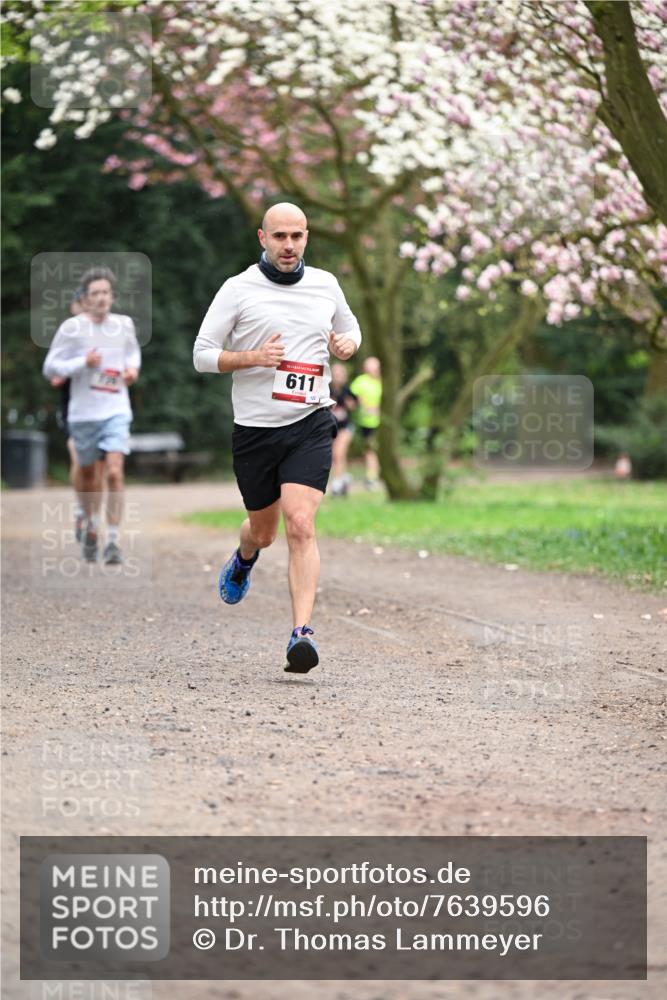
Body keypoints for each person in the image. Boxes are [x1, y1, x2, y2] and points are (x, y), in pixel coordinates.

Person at [193, 202, 361, 673]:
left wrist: (348, 344)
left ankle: (301, 633)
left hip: (311, 421)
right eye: (280, 236)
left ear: (307, 237)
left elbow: (350, 329)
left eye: (297, 236)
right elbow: (202, 354)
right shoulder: (238, 289)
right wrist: (252, 357)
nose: (289, 245)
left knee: (300, 523)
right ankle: (245, 556)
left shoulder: (326, 284)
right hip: (256, 431)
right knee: (264, 532)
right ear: (262, 238)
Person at [43, 267, 141, 564]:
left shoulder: (124, 325)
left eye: (105, 292)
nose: (101, 298)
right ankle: (90, 524)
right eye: (95, 293)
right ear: (85, 299)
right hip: (83, 414)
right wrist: (83, 362)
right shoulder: (71, 328)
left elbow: (132, 355)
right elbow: (50, 368)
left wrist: (131, 371)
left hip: (116, 409)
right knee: (88, 476)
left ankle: (113, 541)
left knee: (114, 472)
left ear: (112, 296)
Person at [350, 356, 382, 488]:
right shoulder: (361, 381)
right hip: (366, 422)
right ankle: (372, 476)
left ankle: (374, 475)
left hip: (381, 422)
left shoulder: (382, 382)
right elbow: (351, 398)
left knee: (375, 450)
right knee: (370, 449)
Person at [329, 362, 357, 496]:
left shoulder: (347, 390)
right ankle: (344, 478)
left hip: (345, 427)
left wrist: (349, 403)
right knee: (336, 455)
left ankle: (337, 483)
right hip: (330, 428)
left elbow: (354, 405)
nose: (338, 376)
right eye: (335, 374)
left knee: (338, 453)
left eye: (340, 374)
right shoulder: (326, 390)